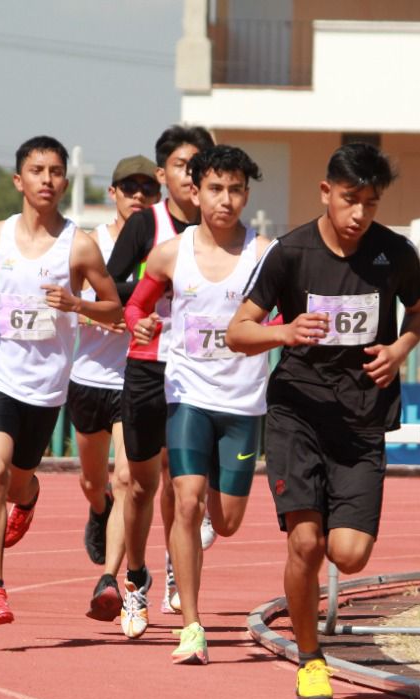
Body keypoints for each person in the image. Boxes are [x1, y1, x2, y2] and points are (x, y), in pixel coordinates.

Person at [226, 142, 420, 699]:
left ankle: (313, 631)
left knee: (349, 552)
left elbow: (419, 309)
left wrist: (402, 347)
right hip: (299, 412)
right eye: (349, 200)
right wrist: (283, 332)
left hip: (363, 417)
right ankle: (310, 657)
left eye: (371, 202)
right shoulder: (291, 253)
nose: (359, 214)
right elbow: (237, 332)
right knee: (306, 543)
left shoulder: (395, 253)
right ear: (326, 193)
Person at [0, 135, 122, 628]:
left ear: (65, 181)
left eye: (55, 171)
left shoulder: (79, 245)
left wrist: (78, 305)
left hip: (47, 383)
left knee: (18, 480)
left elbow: (114, 306)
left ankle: (27, 498)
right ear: (19, 181)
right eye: (36, 170)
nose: (46, 179)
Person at [125, 145, 271, 656]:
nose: (225, 200)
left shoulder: (263, 254)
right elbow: (137, 305)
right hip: (186, 395)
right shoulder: (171, 253)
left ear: (247, 194)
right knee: (183, 500)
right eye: (215, 189)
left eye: (235, 190)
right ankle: (192, 623)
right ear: (196, 190)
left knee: (225, 521)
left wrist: (271, 332)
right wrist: (138, 323)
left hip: (243, 405)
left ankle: (215, 509)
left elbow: (280, 318)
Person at [92, 124, 217, 626]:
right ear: (165, 174)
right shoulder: (149, 225)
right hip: (148, 366)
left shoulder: (224, 231)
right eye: (185, 166)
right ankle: (137, 578)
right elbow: (111, 286)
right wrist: (148, 294)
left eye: (201, 167)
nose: (193, 176)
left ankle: (176, 575)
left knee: (183, 485)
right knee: (141, 484)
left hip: (200, 372)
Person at [68, 155, 160, 603]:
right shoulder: (91, 245)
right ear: (113, 193)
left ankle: (110, 578)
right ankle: (97, 507)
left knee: (127, 476)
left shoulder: (164, 247)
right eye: (130, 188)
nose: (139, 196)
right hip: (89, 375)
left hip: (136, 376)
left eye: (148, 188)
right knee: (94, 480)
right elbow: (75, 302)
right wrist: (106, 311)